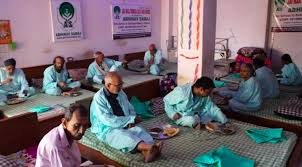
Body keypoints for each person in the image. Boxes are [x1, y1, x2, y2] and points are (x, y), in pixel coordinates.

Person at [90, 72, 162, 163]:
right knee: (121, 136)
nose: (121, 87)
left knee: (139, 131)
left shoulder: (120, 92)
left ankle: (147, 152)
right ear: (108, 85)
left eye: (121, 84)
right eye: (118, 85)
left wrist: (131, 120)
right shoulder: (99, 98)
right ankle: (150, 147)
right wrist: (128, 120)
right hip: (107, 128)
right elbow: (107, 120)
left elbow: (129, 107)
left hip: (124, 122)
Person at [164, 76, 228, 129]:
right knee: (192, 120)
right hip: (180, 116)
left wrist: (225, 121)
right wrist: (172, 113)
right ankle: (199, 124)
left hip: (195, 113)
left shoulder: (204, 96)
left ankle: (200, 124)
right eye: (208, 92)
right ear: (201, 89)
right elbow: (166, 100)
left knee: (211, 116)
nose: (209, 94)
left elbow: (212, 108)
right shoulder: (182, 92)